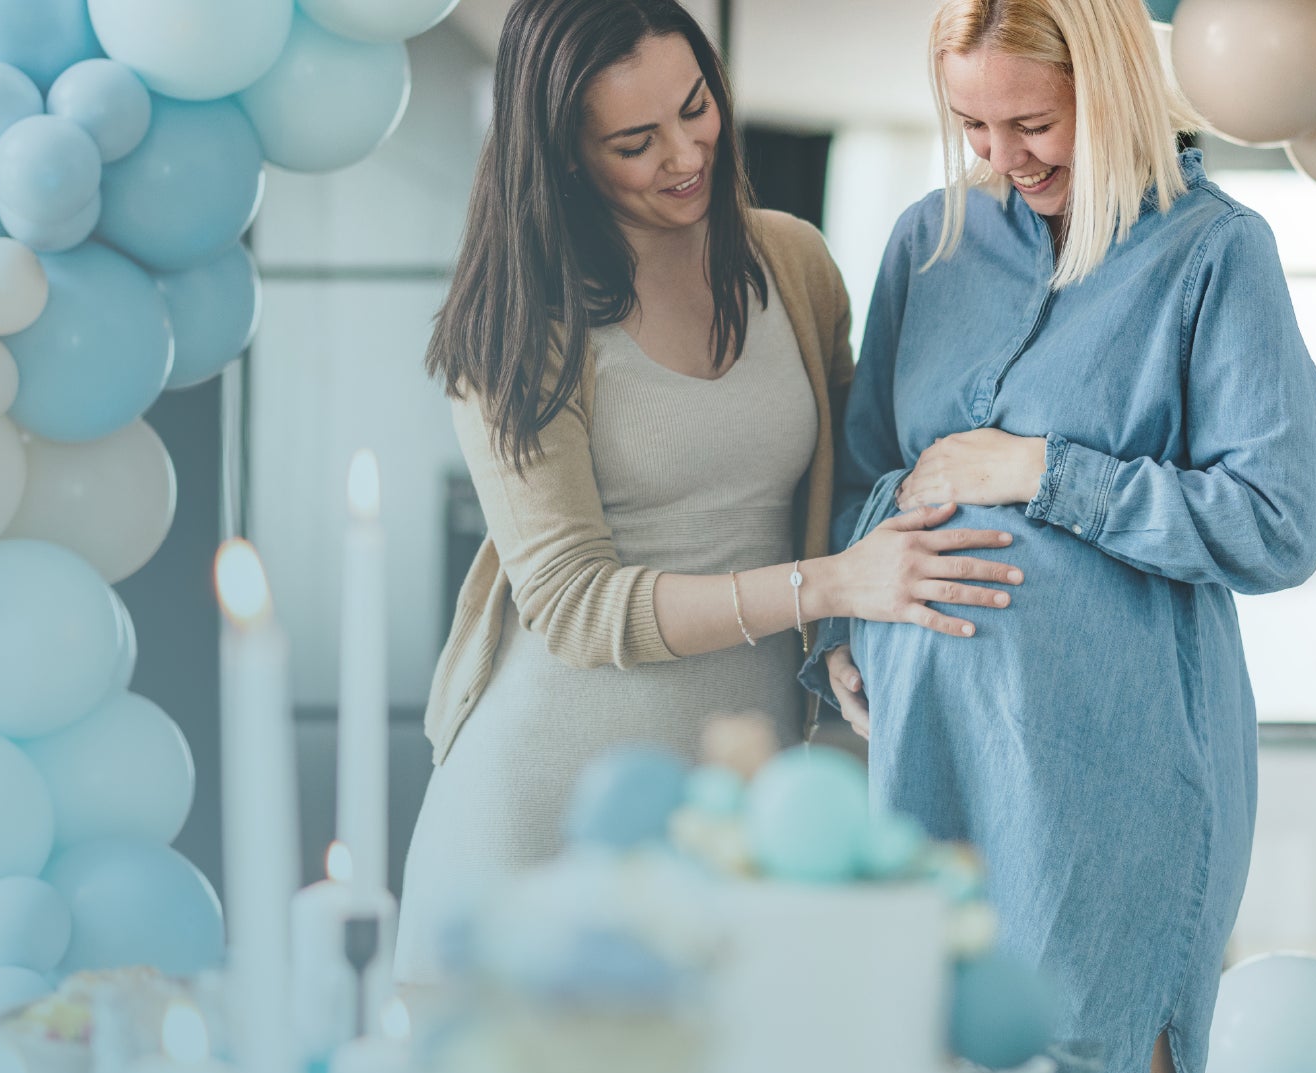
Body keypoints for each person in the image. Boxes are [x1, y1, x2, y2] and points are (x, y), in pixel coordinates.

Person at [394, 0, 1022, 982]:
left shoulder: (792, 264)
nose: (685, 155)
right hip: (548, 807)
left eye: (696, 108)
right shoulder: (521, 319)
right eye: (635, 142)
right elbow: (569, 602)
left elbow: (861, 477)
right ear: (561, 152)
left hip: (744, 805)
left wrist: (861, 626)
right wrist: (828, 590)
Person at [803, 1, 1316, 1073]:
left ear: (1113, 85)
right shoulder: (929, 238)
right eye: (974, 128)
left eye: (1032, 124)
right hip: (928, 756)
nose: (1004, 159)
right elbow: (864, 467)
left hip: (1114, 774)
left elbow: (1278, 523)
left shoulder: (1213, 251)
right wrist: (842, 633)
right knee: (929, 1041)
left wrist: (1046, 472)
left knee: (1086, 1048)